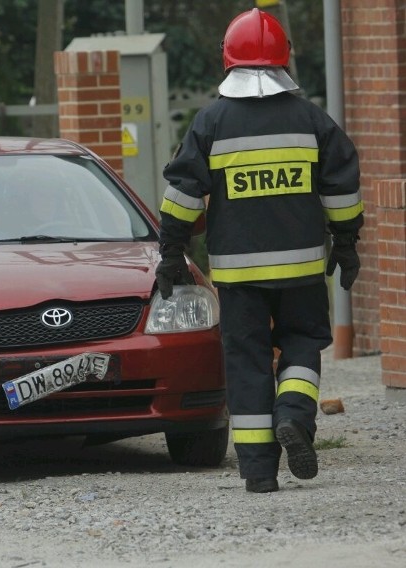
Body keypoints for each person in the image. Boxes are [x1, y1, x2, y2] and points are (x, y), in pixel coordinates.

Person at [156, 8, 363, 493]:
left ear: (228, 60)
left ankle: (258, 473)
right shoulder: (312, 119)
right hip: (302, 268)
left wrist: (172, 251)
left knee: (246, 361)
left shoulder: (211, 122)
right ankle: (293, 414)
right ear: (284, 59)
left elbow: (183, 193)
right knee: (302, 343)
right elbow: (342, 187)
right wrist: (348, 242)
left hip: (238, 275)